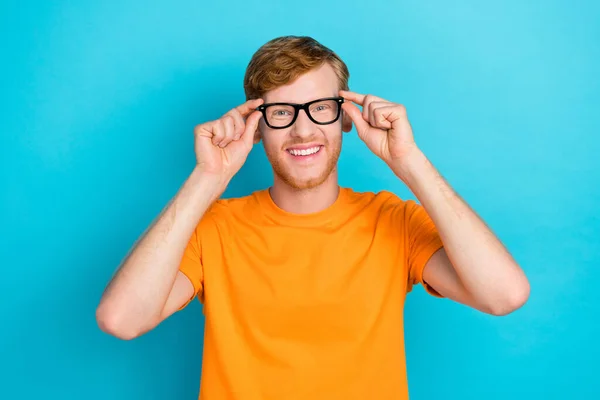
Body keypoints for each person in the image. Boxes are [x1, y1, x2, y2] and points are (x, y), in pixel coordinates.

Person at [96, 35, 530, 399]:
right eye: (282, 112)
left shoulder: (393, 221)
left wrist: (409, 161)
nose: (303, 131)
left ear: (344, 116)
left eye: (320, 107)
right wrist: (208, 177)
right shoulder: (215, 229)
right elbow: (122, 320)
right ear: (257, 124)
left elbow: (504, 295)